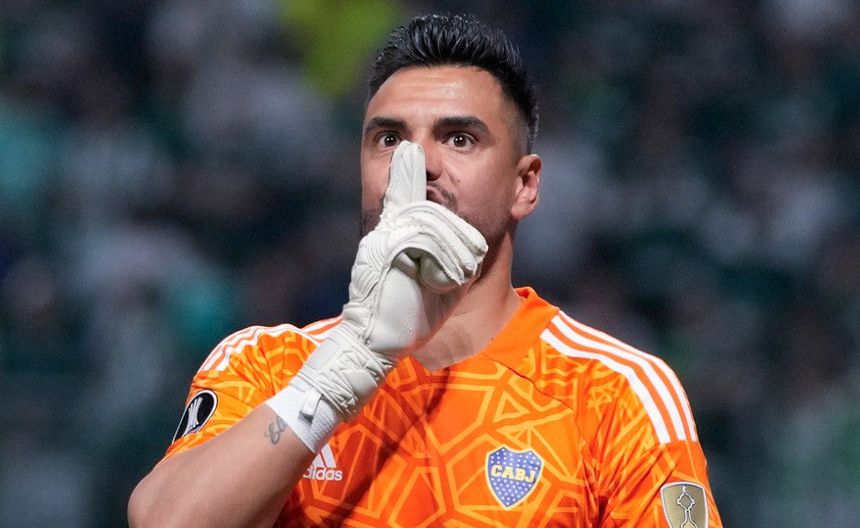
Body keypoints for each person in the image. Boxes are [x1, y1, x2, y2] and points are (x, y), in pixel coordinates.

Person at [129, 13, 722, 527]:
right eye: (389, 139)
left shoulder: (614, 392)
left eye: (459, 139)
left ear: (525, 184)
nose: (419, 165)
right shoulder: (267, 365)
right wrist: (348, 365)